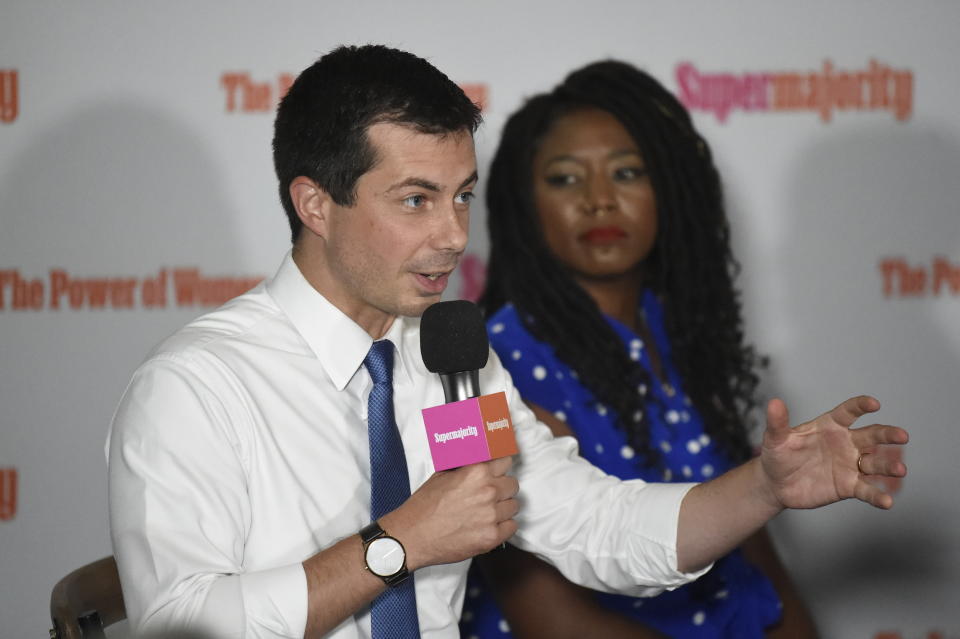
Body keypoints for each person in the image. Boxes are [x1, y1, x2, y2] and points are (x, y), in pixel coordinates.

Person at [107, 45, 908, 639]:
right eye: (416, 200)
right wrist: (401, 543)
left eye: (462, 197)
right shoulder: (194, 386)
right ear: (315, 204)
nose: (454, 236)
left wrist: (763, 486)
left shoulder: (450, 356)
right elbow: (177, 625)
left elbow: (590, 522)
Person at [458, 59, 833, 639]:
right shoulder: (476, 370)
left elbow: (753, 546)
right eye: (564, 178)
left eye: (628, 173)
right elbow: (538, 607)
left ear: (671, 189)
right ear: (522, 204)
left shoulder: (681, 335)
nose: (599, 201)